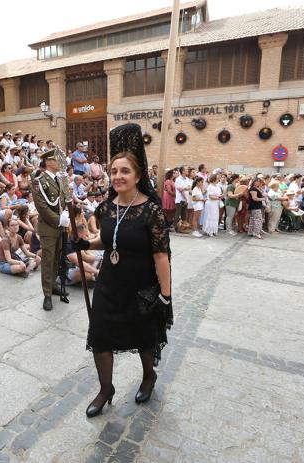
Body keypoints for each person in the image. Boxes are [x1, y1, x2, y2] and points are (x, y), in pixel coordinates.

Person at [73, 123, 171, 418]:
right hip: (109, 284)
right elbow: (106, 240)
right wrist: (84, 243)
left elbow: (161, 256)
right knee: (100, 337)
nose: (118, 176)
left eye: (124, 171)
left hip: (141, 285)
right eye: (114, 171)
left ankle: (148, 377)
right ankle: (106, 389)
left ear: (138, 175)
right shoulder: (106, 207)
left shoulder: (151, 211)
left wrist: (164, 296)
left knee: (144, 338)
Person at [32, 149, 70, 311]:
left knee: (57, 258)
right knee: (48, 261)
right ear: (48, 162)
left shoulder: (60, 179)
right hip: (48, 227)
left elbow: (63, 200)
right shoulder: (38, 181)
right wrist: (58, 220)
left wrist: (66, 214)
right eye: (56, 160)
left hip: (61, 225)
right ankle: (47, 294)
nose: (60, 162)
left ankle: (53, 284)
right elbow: (41, 206)